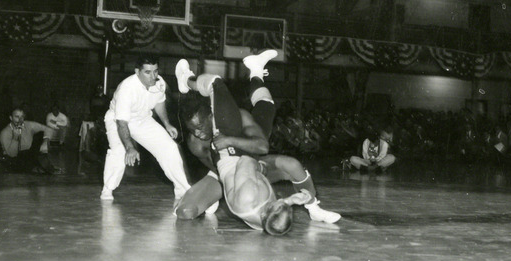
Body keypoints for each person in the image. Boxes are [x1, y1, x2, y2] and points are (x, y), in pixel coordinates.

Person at [174, 56, 340, 226]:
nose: (198, 133)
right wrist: (226, 187)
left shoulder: (240, 118)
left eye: (201, 126)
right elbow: (212, 166)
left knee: (270, 117)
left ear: (212, 115)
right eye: (192, 129)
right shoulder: (195, 142)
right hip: (225, 172)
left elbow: (262, 147)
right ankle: (256, 71)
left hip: (250, 158)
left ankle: (313, 208)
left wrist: (232, 142)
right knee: (186, 211)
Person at [100, 53, 190, 203]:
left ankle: (183, 190)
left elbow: (159, 102)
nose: (152, 76)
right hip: (117, 119)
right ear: (137, 72)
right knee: (119, 151)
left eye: (155, 71)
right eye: (147, 72)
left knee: (170, 147)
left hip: (143, 119)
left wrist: (166, 124)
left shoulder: (160, 82)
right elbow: (122, 123)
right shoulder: (127, 89)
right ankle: (107, 189)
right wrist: (130, 147)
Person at [0, 107, 55, 173]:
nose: (20, 120)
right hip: (12, 159)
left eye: (22, 117)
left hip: (28, 155)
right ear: (11, 118)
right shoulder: (5, 132)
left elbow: (49, 129)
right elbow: (12, 154)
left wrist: (45, 141)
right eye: (17, 117)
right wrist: (15, 138)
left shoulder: (28, 125)